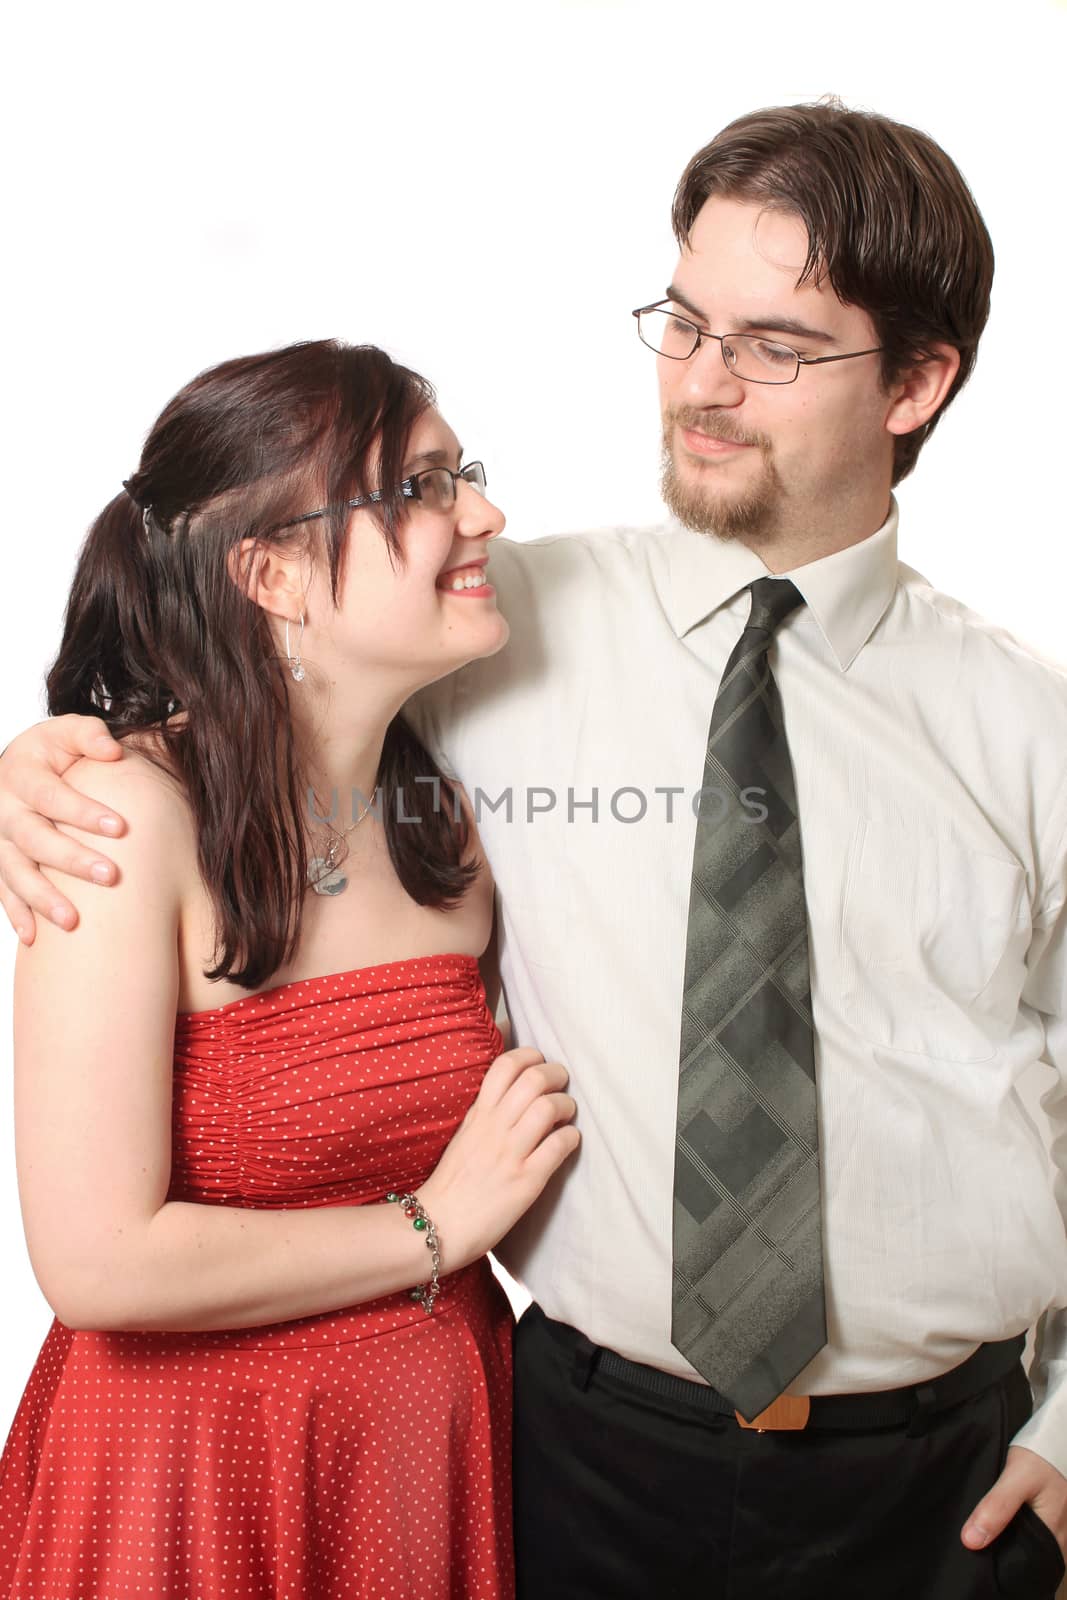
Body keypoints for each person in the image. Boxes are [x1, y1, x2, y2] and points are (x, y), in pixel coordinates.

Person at [2, 99, 1066, 1598]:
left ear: (916, 380)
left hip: (945, 1484)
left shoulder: (1029, 728)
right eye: (683, 322)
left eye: (772, 344)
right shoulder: (499, 632)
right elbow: (237, 667)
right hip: (575, 1464)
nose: (701, 383)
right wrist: (39, 762)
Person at [0, 339, 580, 1600]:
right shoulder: (119, 813)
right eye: (418, 487)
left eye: (462, 473)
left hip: (425, 1453)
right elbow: (95, 1259)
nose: (484, 513)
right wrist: (437, 1225)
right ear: (268, 572)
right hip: (189, 1476)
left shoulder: (458, 826)